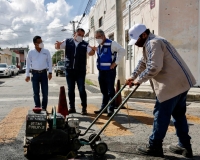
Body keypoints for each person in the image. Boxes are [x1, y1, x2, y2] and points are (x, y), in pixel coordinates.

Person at [126, 24, 196, 158]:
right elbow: (143, 62)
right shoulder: (152, 42)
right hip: (181, 83)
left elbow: (154, 67)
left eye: (137, 41)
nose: (135, 44)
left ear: (144, 35)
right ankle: (185, 146)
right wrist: (132, 76)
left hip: (171, 85)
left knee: (161, 115)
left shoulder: (153, 43)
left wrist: (139, 80)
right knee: (179, 115)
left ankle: (155, 146)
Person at [55, 28, 96, 115]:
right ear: (75, 34)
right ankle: (72, 107)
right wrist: (57, 45)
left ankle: (84, 108)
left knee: (81, 89)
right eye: (79, 34)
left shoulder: (85, 44)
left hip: (80, 71)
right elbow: (58, 47)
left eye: (82, 35)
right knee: (70, 89)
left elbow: (91, 53)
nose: (80, 36)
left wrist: (93, 50)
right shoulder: (67, 41)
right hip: (69, 70)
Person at [93, 29, 126, 117]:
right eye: (96, 37)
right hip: (101, 71)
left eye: (99, 37)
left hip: (110, 71)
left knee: (110, 90)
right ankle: (104, 108)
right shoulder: (99, 46)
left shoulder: (112, 43)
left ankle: (110, 109)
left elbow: (122, 51)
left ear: (103, 36)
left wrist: (115, 63)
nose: (97, 39)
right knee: (103, 90)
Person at [25, 36, 52, 111]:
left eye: (41, 41)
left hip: (44, 74)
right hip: (35, 74)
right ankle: (37, 107)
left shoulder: (46, 51)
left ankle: (44, 108)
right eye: (39, 42)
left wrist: (50, 72)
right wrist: (27, 75)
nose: (41, 43)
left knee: (45, 93)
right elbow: (27, 64)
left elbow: (50, 62)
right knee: (36, 93)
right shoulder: (31, 52)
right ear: (35, 44)